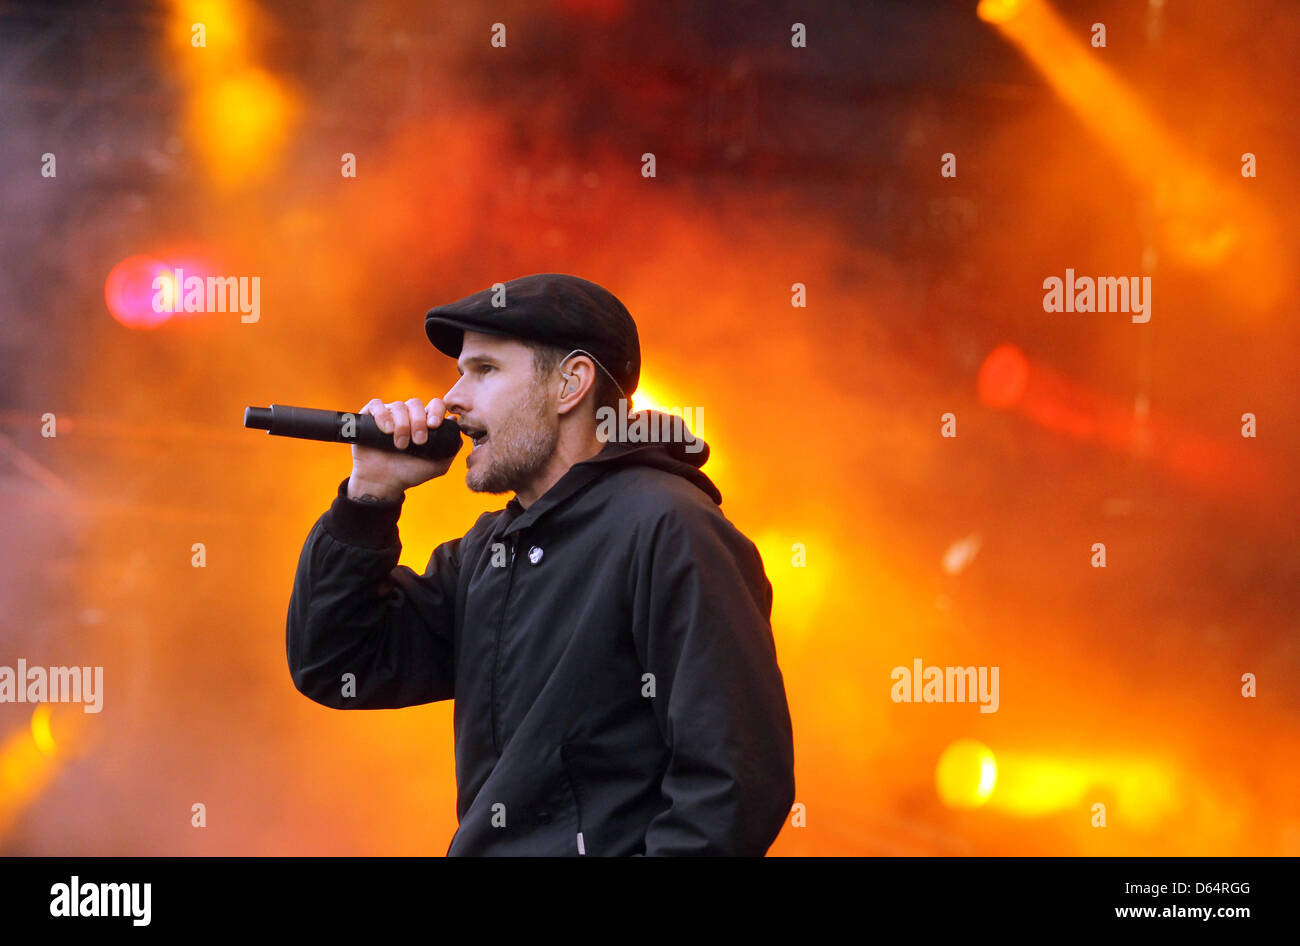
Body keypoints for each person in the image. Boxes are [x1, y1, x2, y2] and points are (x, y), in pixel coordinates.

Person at [285, 273, 795, 855]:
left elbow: (733, 781)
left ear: (570, 384)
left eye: (485, 370)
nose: (452, 398)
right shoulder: (485, 552)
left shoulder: (670, 527)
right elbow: (336, 662)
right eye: (459, 373)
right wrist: (368, 498)